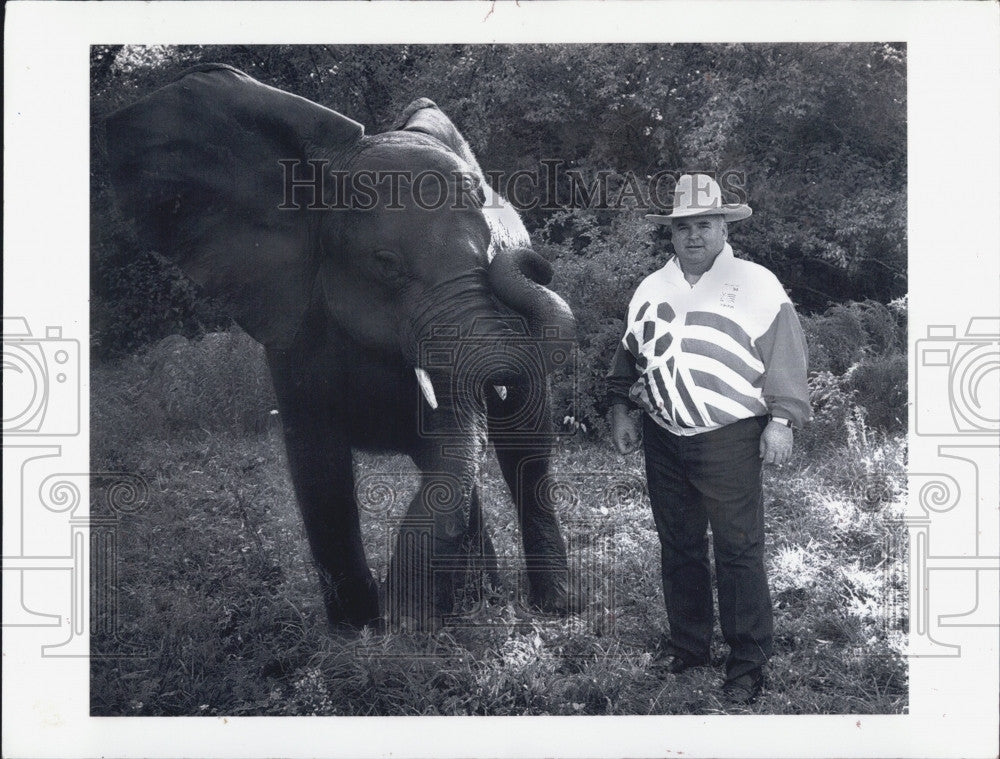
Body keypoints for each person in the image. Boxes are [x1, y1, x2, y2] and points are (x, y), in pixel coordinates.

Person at [608, 173, 810, 705]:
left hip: (730, 438)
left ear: (724, 226)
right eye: (684, 227)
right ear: (671, 233)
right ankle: (689, 649)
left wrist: (782, 421)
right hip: (664, 438)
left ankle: (747, 663)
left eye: (704, 224)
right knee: (679, 547)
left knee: (739, 550)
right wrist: (621, 408)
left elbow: (786, 356)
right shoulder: (651, 287)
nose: (694, 235)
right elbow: (628, 356)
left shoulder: (757, 283)